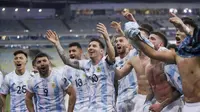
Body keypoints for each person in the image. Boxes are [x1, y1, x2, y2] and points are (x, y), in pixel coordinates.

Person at [124, 11, 200, 112]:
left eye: (181, 30)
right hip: (187, 106)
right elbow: (151, 52)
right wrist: (133, 32)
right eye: (177, 29)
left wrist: (183, 27)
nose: (178, 32)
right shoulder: (176, 56)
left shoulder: (197, 53)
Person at [46, 22, 116, 111]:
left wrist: (106, 38)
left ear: (102, 51)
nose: (90, 47)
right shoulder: (86, 64)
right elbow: (66, 61)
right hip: (91, 109)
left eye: (94, 46)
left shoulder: (106, 62)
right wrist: (57, 44)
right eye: (89, 46)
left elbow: (112, 56)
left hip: (107, 109)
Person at [114, 23, 153, 112]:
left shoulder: (157, 57)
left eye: (139, 38)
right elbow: (119, 74)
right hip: (138, 99)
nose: (137, 40)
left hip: (154, 99)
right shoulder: (133, 59)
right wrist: (109, 65)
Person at [63, 42, 89, 112]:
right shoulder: (66, 69)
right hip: (75, 107)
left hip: (89, 106)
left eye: (74, 51)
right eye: (70, 51)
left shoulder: (88, 65)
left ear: (80, 51)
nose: (71, 53)